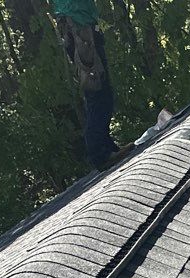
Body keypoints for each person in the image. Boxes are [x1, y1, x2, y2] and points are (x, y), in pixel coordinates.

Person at [51, 0, 119, 170]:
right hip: (80, 30)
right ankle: (99, 153)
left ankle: (107, 146)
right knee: (98, 92)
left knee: (100, 91)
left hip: (81, 27)